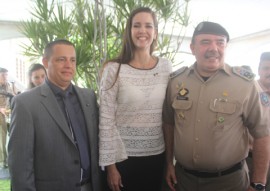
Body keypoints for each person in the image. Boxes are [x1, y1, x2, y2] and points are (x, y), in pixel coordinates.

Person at [162, 21, 270, 191]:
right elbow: (169, 124)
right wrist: (168, 163)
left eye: (220, 42)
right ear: (192, 48)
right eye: (205, 42)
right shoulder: (177, 81)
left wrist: (258, 183)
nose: (214, 48)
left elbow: (262, 134)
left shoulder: (246, 85)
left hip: (230, 182)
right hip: (184, 180)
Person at [8, 39, 102, 191]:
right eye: (61, 60)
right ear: (45, 62)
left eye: (72, 60)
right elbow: (20, 165)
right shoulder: (25, 103)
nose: (68, 65)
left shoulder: (88, 97)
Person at [99, 7, 172, 191]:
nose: (142, 31)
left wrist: (170, 161)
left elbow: (168, 116)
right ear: (129, 31)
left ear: (155, 33)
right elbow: (106, 121)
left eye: (148, 26)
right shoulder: (113, 70)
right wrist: (110, 167)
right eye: (136, 25)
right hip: (122, 160)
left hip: (156, 157)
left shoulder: (165, 67)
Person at [0, 67, 17, 168]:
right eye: (3, 75)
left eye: (6, 75)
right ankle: (3, 162)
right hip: (0, 114)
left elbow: (14, 96)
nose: (5, 77)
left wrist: (14, 86)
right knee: (2, 138)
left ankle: (11, 158)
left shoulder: (7, 85)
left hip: (8, 114)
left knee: (13, 136)